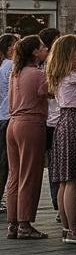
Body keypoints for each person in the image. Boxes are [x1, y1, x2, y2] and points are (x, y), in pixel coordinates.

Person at [4, 35, 48, 239]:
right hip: (31, 123)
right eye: (42, 47)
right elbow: (52, 92)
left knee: (15, 174)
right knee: (30, 173)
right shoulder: (37, 74)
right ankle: (24, 223)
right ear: (34, 52)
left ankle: (12, 223)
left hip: (13, 123)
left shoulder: (16, 72)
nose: (45, 49)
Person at [46, 34, 76, 244]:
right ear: (71, 52)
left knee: (64, 180)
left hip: (63, 122)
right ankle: (73, 229)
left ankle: (66, 227)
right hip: (74, 121)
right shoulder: (75, 75)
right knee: (72, 180)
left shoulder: (60, 74)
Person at [37, 28, 60, 223]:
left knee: (54, 163)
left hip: (48, 120)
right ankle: (59, 204)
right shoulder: (50, 67)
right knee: (57, 164)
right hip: (54, 119)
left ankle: (58, 203)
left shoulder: (42, 66)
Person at [0, 33, 17, 219]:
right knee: (6, 163)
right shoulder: (11, 66)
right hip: (7, 116)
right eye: (15, 44)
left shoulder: (2, 66)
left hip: (1, 116)